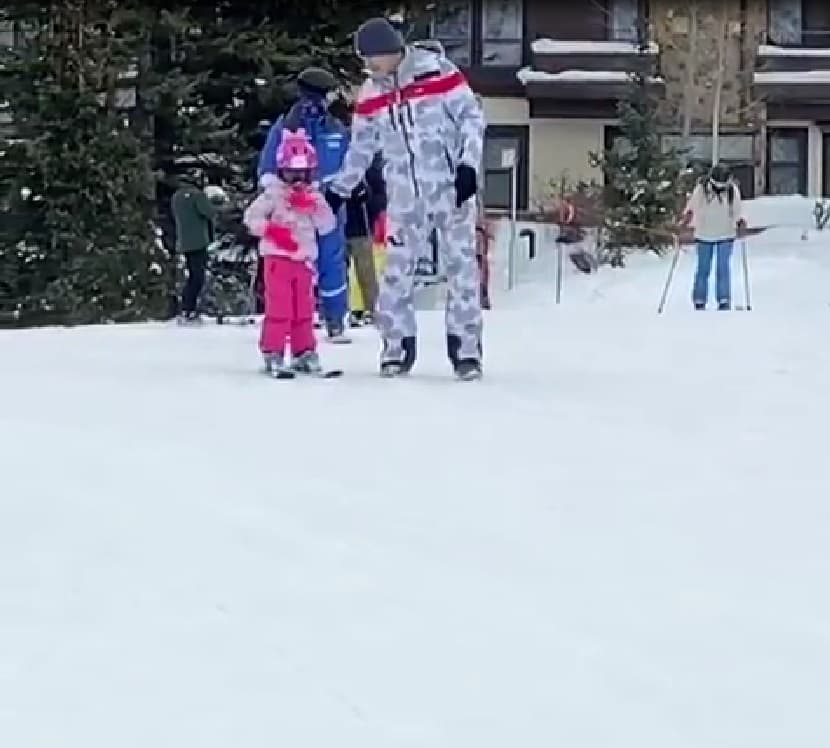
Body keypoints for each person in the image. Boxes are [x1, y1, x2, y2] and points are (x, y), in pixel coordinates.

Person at [324, 17, 486, 380]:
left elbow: (472, 120)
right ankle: (397, 349)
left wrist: (468, 166)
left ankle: (466, 351)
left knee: (461, 271)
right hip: (404, 196)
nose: (369, 65)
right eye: (365, 60)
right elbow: (361, 147)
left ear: (390, 50)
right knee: (396, 274)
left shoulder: (438, 72)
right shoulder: (372, 92)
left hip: (450, 190)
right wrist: (341, 189)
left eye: (372, 58)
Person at [257, 67, 351, 343]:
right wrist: (279, 197)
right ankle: (291, 322)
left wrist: (347, 189)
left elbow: (350, 162)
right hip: (292, 210)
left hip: (328, 203)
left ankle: (334, 318)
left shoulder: (334, 128)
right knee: (293, 265)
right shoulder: (286, 128)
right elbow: (268, 167)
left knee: (332, 261)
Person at [244, 129, 336, 376]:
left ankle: (303, 351)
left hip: (303, 261)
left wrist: (314, 207)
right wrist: (271, 231)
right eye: (291, 173)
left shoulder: (313, 196)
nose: (297, 179)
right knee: (280, 308)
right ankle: (273, 352)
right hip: (278, 260)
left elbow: (328, 225)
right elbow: (251, 218)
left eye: (302, 173)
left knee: (304, 309)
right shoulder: (273, 195)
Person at [682, 164, 745, 310]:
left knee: (723, 268)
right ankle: (699, 299)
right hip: (704, 234)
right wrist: (686, 220)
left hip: (726, 234)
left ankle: (724, 299)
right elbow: (691, 207)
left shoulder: (732, 190)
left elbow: (737, 210)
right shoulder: (701, 189)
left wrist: (741, 221)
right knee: (703, 268)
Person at [171, 171, 217, 323]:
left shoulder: (176, 197)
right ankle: (189, 309)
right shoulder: (197, 195)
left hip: (184, 241)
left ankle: (186, 308)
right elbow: (209, 212)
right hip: (199, 241)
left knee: (192, 275)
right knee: (198, 277)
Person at [345, 151, 385, 325]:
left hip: (362, 223)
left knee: (366, 269)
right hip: (337, 223)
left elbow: (380, 193)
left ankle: (372, 308)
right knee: (339, 271)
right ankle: (341, 310)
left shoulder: (367, 163)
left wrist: (368, 201)